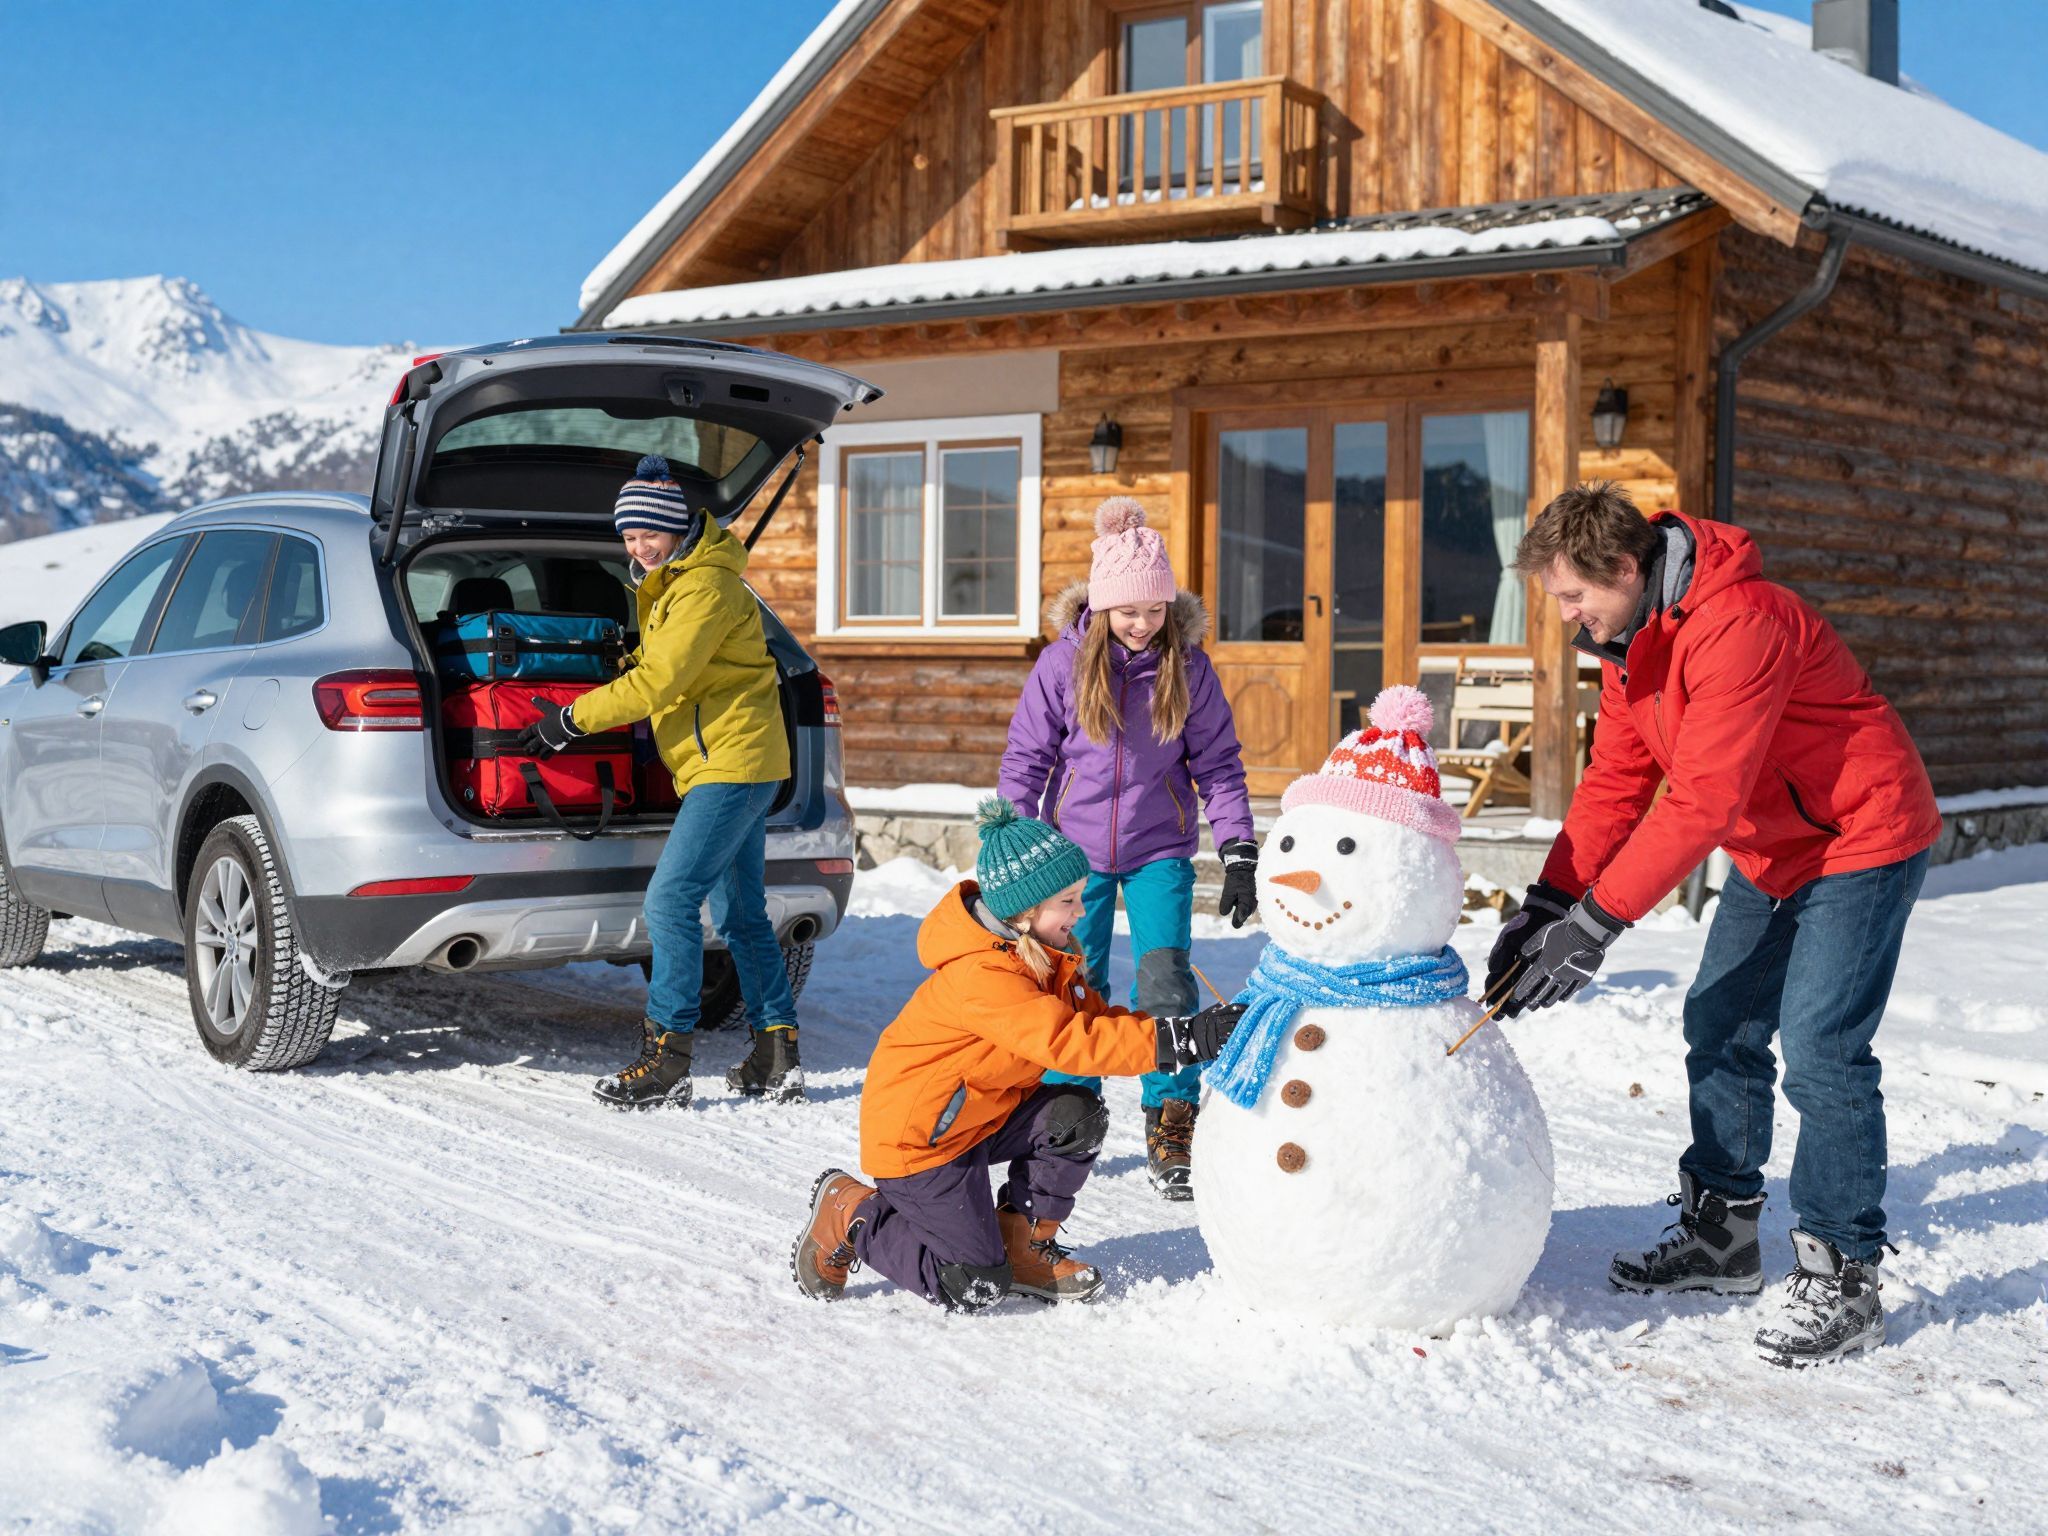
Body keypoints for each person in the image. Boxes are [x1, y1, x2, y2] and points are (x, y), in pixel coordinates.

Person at [1486, 481, 1941, 1366]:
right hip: (1775, 847)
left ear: (1625, 566)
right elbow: (1619, 780)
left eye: (1577, 597)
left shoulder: (1743, 621)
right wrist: (1548, 901)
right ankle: (1723, 1234)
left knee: (1821, 1045)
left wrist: (1595, 926)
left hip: (1862, 834)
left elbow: (1701, 800)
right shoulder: (1631, 644)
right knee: (1719, 1021)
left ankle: (1844, 1268)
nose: (1573, 621)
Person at [791, 799, 1244, 1310]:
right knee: (973, 1284)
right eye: (1068, 901)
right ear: (1026, 913)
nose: (1082, 911)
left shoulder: (1045, 960)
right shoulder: (983, 976)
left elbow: (1095, 1023)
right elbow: (1073, 1043)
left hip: (979, 1117)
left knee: (1074, 1114)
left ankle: (1023, 1246)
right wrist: (1182, 1042)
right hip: (921, 1141)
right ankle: (851, 1210)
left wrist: (1184, 1031)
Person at [520, 454, 804, 1109]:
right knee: (740, 913)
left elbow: (660, 682)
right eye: (628, 536)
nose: (640, 546)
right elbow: (669, 666)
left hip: (731, 765)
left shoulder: (702, 588)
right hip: (736, 761)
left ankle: (666, 1058)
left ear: (677, 530)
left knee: (669, 902)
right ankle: (777, 1051)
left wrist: (570, 720)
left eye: (650, 534)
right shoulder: (674, 586)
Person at [997, 496, 1256, 1201]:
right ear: (1102, 607)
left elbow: (1220, 766)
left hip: (1158, 849)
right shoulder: (1061, 666)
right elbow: (1025, 761)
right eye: (1127, 611)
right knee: (1076, 984)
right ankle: (1069, 1107)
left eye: (1153, 609)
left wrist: (1238, 849)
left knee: (1164, 982)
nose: (1142, 624)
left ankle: (1171, 1112)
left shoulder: (1189, 670)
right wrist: (1016, 849)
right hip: (1069, 859)